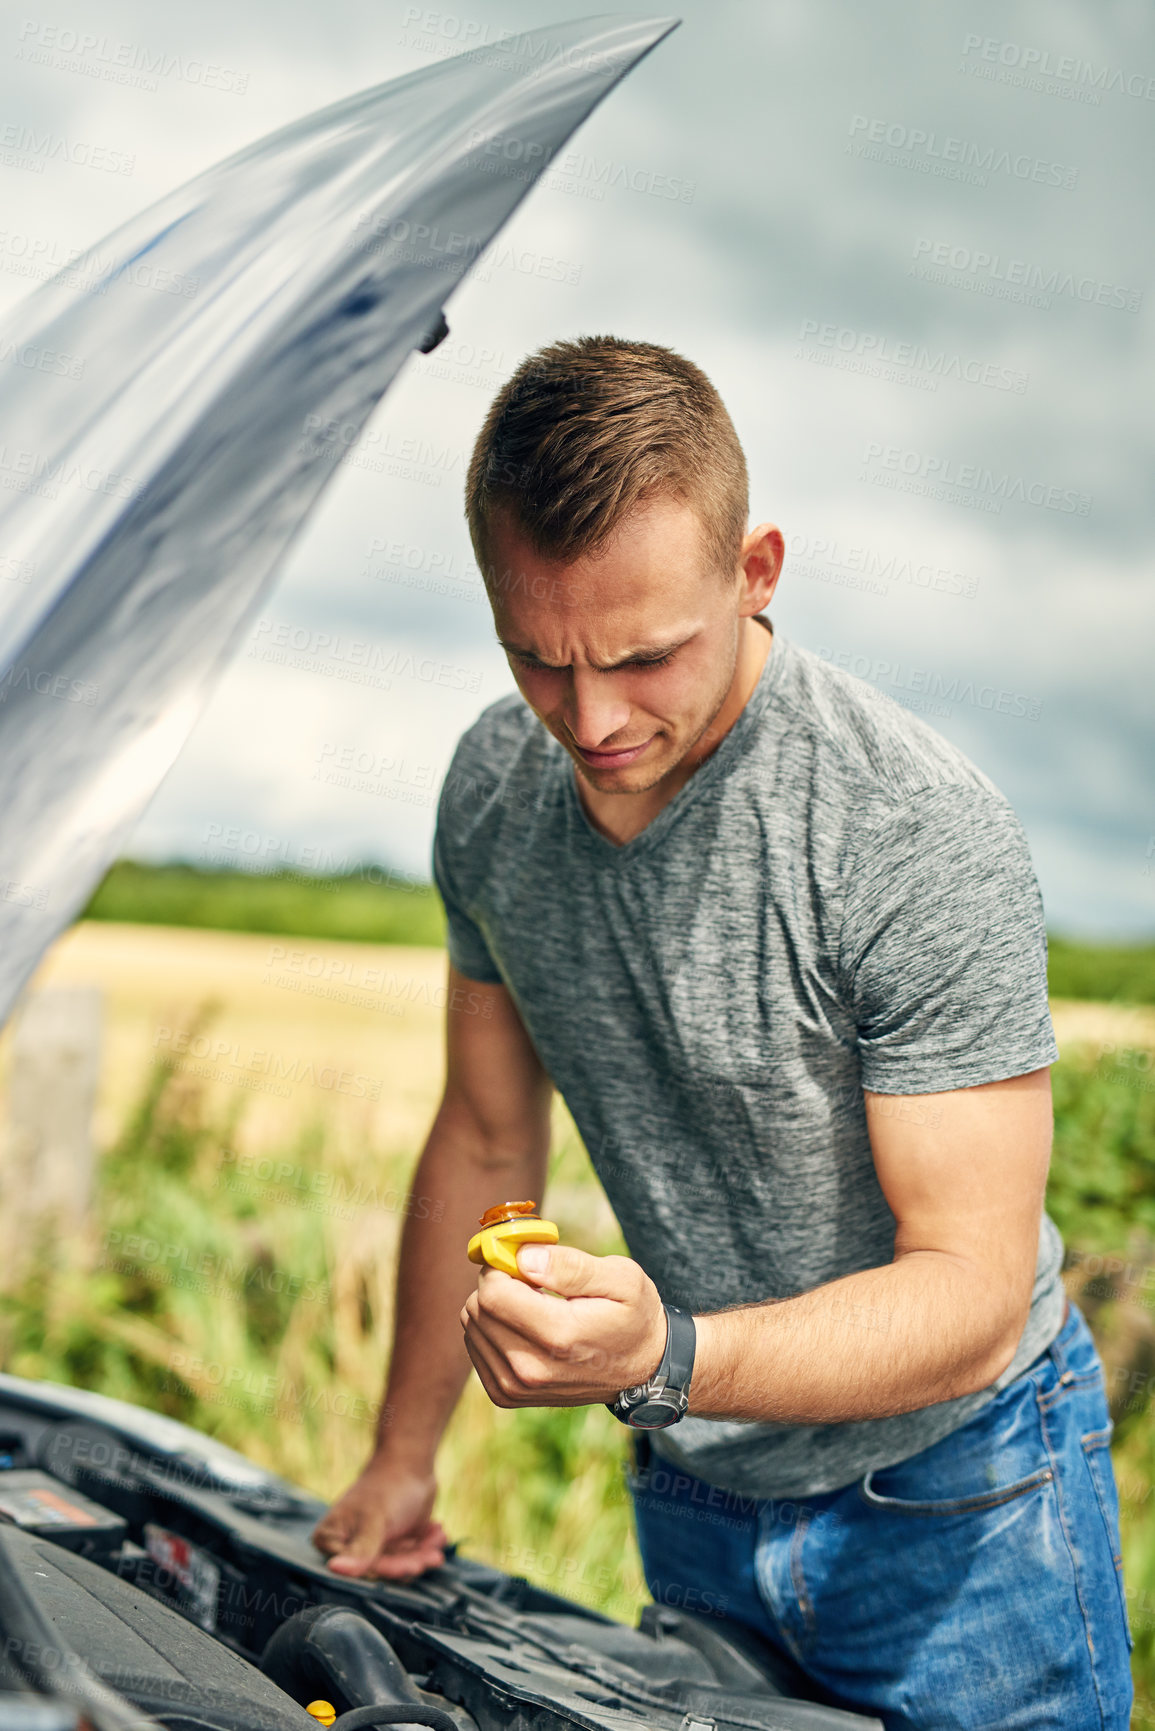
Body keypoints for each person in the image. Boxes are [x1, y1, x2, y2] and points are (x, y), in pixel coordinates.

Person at [312, 337, 1132, 1729]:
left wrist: (665, 1356)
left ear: (756, 572)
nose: (590, 717)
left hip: (961, 1507)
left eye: (643, 656)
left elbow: (975, 1292)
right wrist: (403, 1457)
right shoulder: (495, 794)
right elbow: (486, 1130)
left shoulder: (909, 831)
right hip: (695, 1498)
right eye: (538, 656)